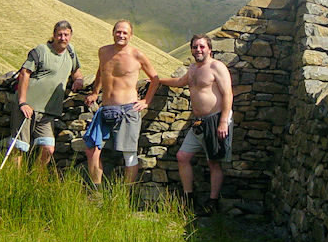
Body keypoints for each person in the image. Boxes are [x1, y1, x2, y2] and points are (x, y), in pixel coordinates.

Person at [160, 33, 233, 213]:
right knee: (182, 156)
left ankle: (212, 202)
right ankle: (188, 198)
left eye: (201, 46)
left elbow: (228, 94)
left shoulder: (217, 67)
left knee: (213, 162)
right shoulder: (193, 68)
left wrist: (223, 122)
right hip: (199, 123)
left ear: (209, 48)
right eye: (195, 47)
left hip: (216, 120)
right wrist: (157, 80)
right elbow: (179, 82)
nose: (198, 50)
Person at [83, 20, 159, 187]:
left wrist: (146, 101)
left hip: (128, 109)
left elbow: (155, 79)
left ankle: (125, 196)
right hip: (105, 109)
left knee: (129, 154)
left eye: (125, 33)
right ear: (113, 32)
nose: (121, 35)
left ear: (130, 36)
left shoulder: (137, 55)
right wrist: (95, 92)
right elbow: (101, 70)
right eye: (118, 31)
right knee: (91, 149)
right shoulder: (103, 52)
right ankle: (96, 191)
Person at [10, 20, 84, 168]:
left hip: (49, 112)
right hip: (27, 108)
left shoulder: (70, 52)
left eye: (66, 35)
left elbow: (76, 71)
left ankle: (36, 181)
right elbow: (25, 73)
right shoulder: (41, 50)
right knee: (19, 147)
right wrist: (22, 102)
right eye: (59, 35)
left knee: (48, 148)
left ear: (71, 35)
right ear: (54, 35)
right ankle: (13, 184)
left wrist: (79, 80)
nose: (63, 38)